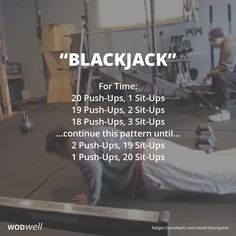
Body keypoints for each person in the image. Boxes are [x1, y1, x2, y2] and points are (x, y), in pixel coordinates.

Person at [46, 126, 236, 205]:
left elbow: (93, 168)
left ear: (59, 146)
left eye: (59, 154)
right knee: (207, 163)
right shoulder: (90, 132)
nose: (65, 158)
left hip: (153, 165)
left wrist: (91, 199)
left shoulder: (75, 145)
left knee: (210, 178)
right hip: (154, 148)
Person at [203, 27, 236, 122]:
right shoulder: (224, 45)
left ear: (219, 37)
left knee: (223, 78)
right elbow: (221, 66)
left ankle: (224, 113)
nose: (212, 44)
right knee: (217, 75)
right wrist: (209, 73)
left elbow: (226, 68)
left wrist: (208, 74)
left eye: (213, 41)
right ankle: (218, 105)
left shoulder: (229, 45)